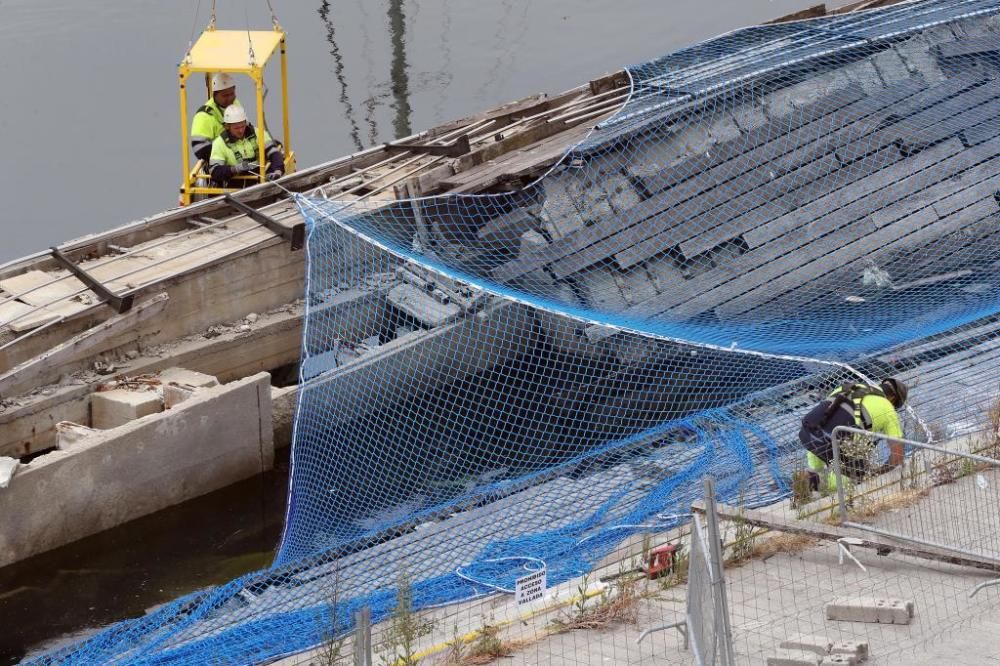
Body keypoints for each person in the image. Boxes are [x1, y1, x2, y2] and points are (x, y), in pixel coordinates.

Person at [798, 377, 908, 491]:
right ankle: (823, 485)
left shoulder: (849, 387)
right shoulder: (888, 409)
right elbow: (897, 456)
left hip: (808, 433)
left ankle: (810, 480)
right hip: (835, 441)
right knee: (857, 477)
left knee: (821, 442)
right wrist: (877, 472)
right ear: (893, 398)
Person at [208, 105, 285, 187]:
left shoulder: (259, 134)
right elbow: (215, 171)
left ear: (246, 122)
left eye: (242, 126)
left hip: (260, 180)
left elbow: (274, 154)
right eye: (236, 128)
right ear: (227, 127)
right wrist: (235, 169)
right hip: (234, 186)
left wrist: (277, 171)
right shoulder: (219, 143)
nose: (240, 131)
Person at [190, 73, 243, 162]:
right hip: (218, 165)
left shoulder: (235, 103)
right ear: (214, 95)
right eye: (225, 96)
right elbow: (200, 149)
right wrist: (230, 156)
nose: (230, 98)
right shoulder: (203, 116)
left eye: (232, 94)